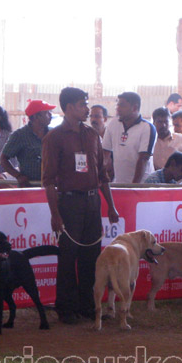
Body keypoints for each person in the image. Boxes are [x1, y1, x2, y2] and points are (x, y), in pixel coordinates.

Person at [42, 87, 119, 325]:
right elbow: (48, 181)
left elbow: (103, 176)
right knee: (68, 257)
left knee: (91, 256)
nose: (87, 109)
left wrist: (111, 207)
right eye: (82, 104)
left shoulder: (92, 134)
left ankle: (88, 305)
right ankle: (65, 308)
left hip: (92, 201)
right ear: (69, 108)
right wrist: (55, 214)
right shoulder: (54, 138)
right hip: (69, 202)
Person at [102, 92, 157, 184]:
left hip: (143, 184)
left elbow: (143, 159)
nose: (117, 108)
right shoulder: (113, 123)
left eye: (122, 105)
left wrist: (133, 186)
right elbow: (105, 153)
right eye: (117, 105)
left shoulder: (147, 128)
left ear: (134, 108)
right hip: (119, 182)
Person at [0, 99, 54, 187]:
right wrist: (18, 175)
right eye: (47, 113)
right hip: (29, 187)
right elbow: (3, 158)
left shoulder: (53, 134)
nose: (50, 115)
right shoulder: (19, 135)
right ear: (36, 117)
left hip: (51, 186)